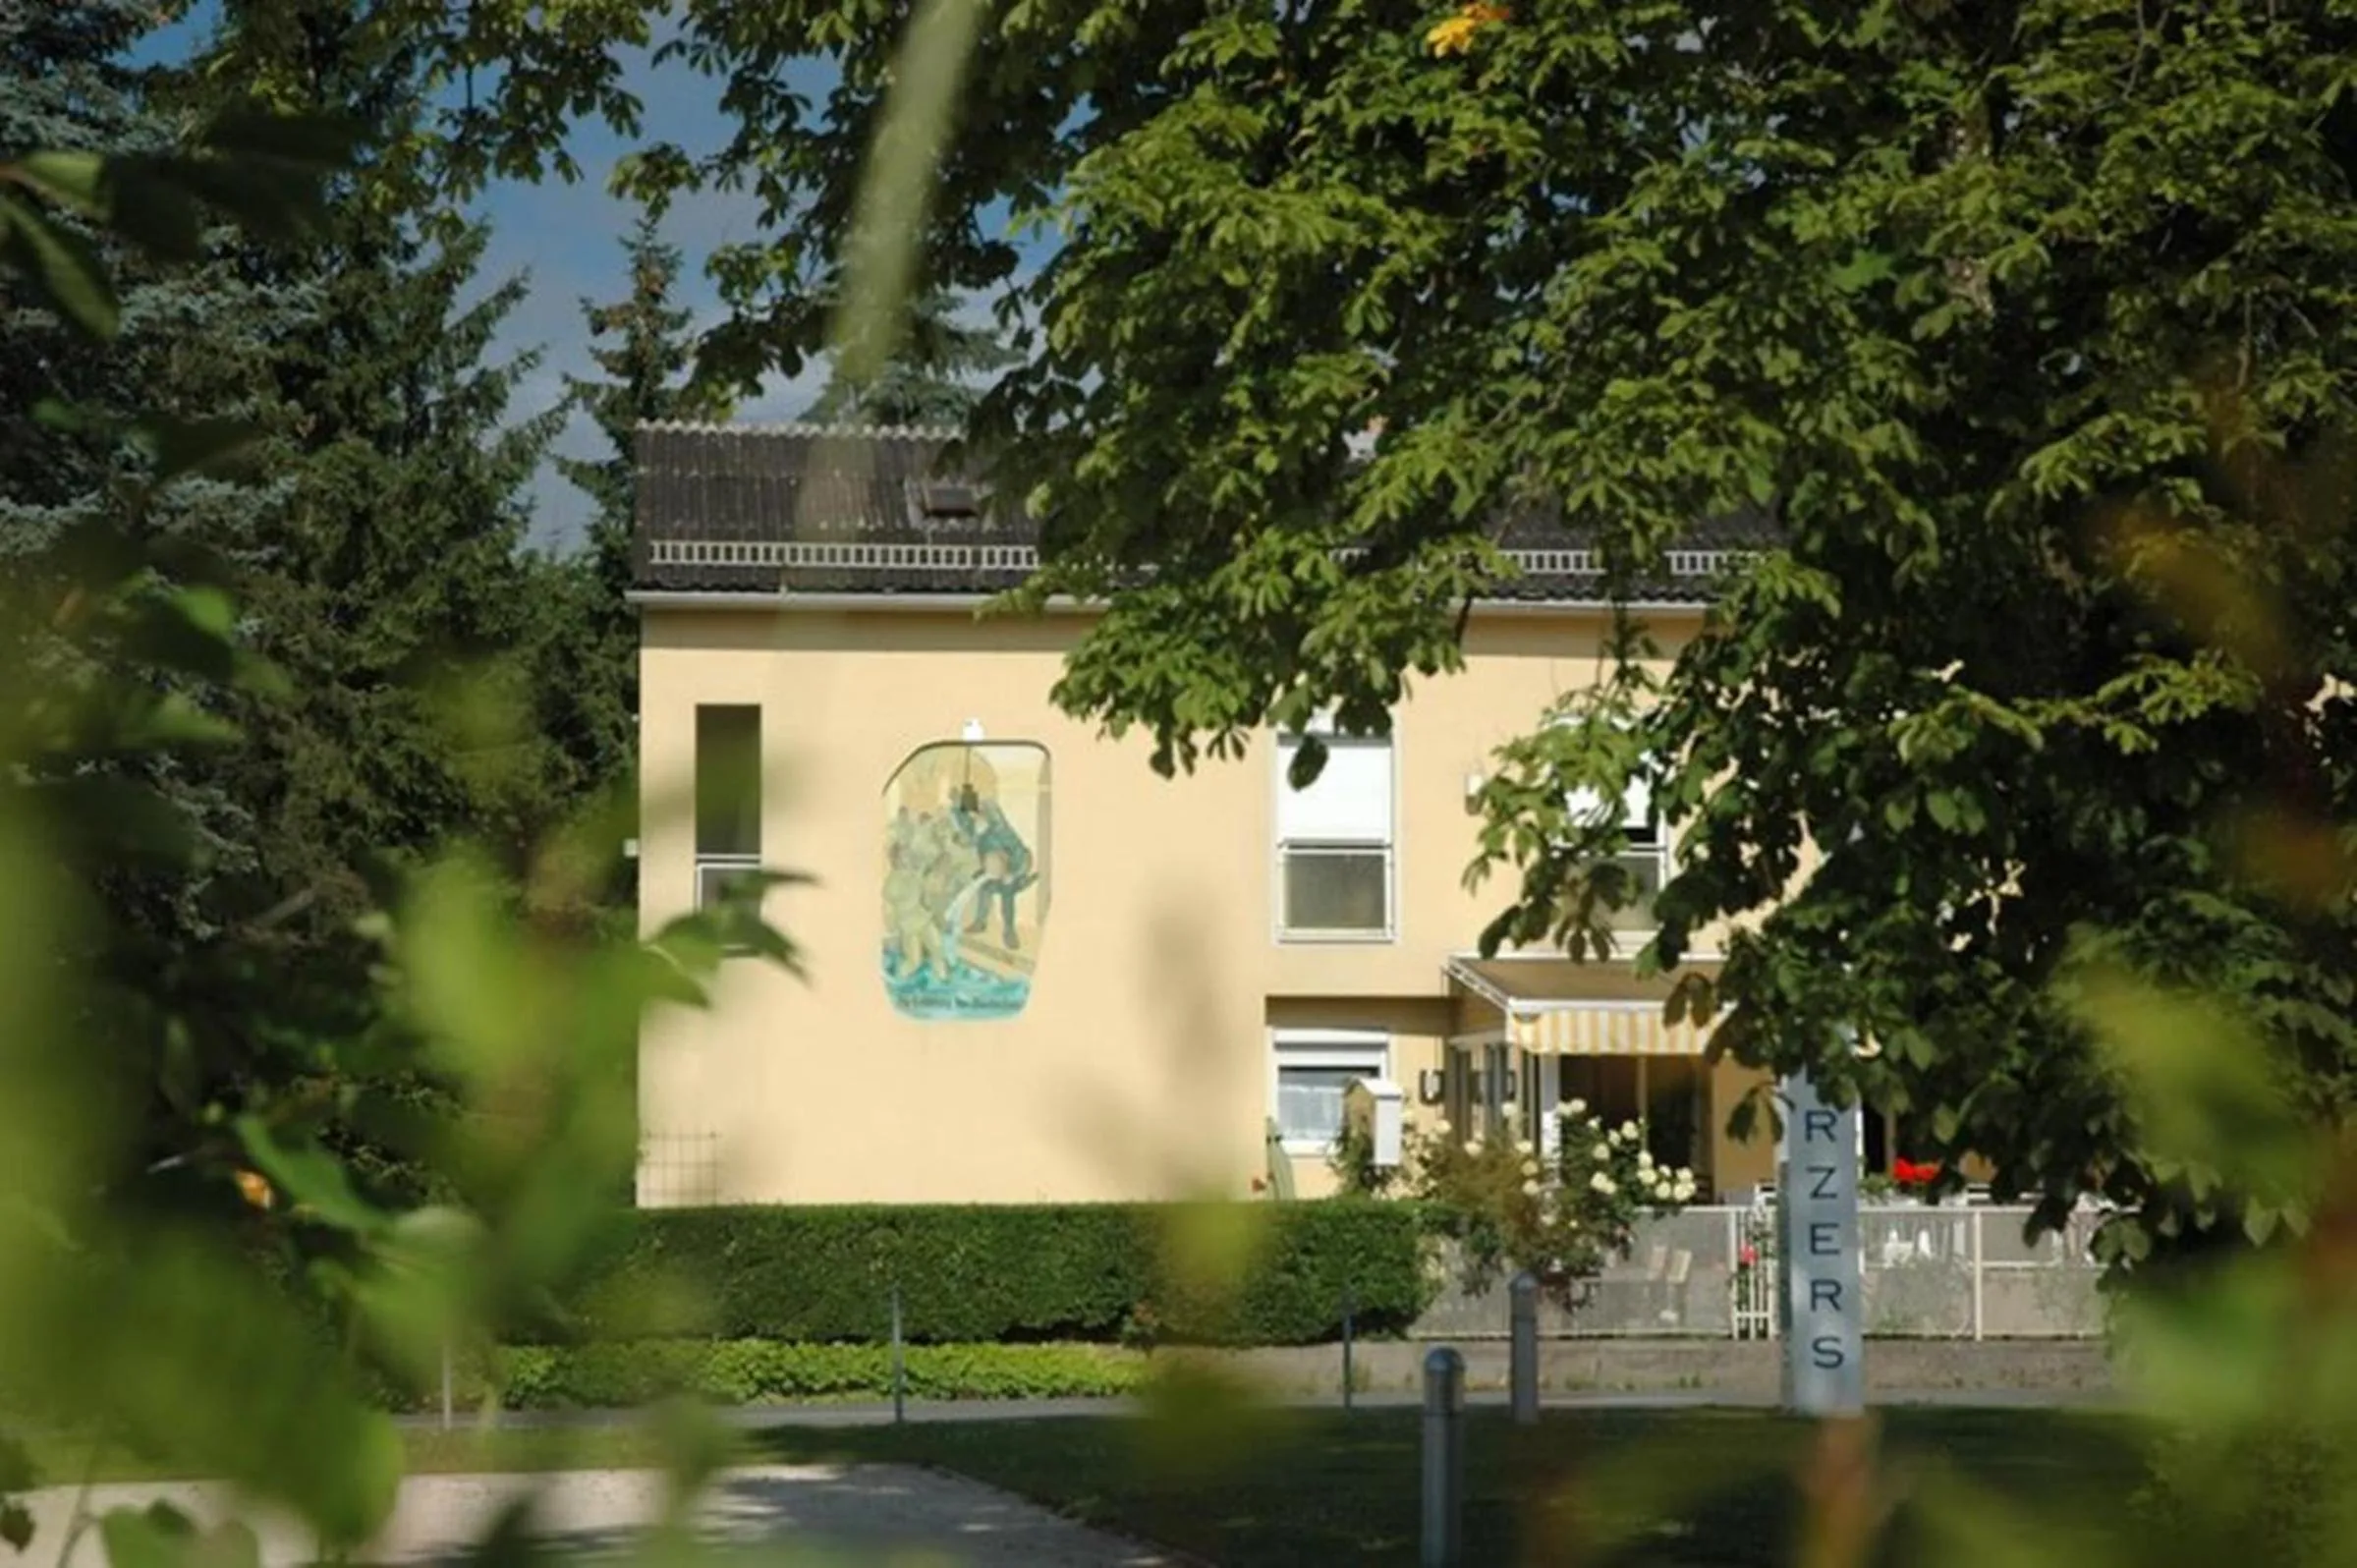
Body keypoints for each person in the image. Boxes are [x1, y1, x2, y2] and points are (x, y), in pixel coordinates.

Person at [952, 783, 1037, 948]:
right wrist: (956, 803)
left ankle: (1009, 931)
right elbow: (964, 825)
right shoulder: (976, 832)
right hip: (993, 868)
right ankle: (980, 922)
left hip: (1013, 866)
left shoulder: (1002, 832)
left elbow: (1022, 854)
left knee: (1007, 892)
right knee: (984, 888)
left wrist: (1013, 873)